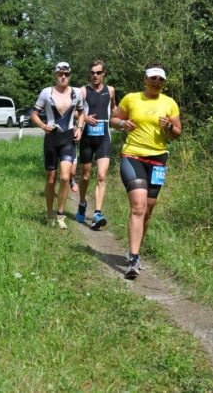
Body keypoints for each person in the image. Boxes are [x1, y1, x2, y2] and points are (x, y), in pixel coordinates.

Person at [110, 63, 182, 278]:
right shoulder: (131, 98)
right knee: (138, 206)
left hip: (158, 159)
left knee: (148, 209)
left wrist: (169, 127)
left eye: (161, 79)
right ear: (145, 79)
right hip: (133, 156)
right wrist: (123, 125)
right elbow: (114, 119)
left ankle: (136, 251)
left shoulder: (169, 103)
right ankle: (132, 260)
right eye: (153, 78)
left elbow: (177, 133)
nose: (157, 82)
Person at [31, 62, 85, 229]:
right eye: (60, 74)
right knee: (51, 178)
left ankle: (60, 215)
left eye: (67, 74)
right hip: (51, 138)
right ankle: (49, 213)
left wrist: (80, 128)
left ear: (70, 75)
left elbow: (82, 112)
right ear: (56, 75)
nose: (63, 77)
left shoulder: (76, 93)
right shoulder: (46, 93)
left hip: (68, 138)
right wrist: (42, 125)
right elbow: (34, 114)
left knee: (64, 177)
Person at [75, 59, 116, 229]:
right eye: (92, 73)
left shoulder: (111, 90)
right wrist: (84, 118)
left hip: (104, 138)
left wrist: (125, 120)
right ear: (89, 74)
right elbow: (74, 112)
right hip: (87, 138)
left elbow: (115, 110)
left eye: (98, 72)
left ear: (104, 74)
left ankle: (98, 212)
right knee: (85, 176)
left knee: (101, 175)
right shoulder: (83, 91)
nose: (95, 76)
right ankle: (83, 202)